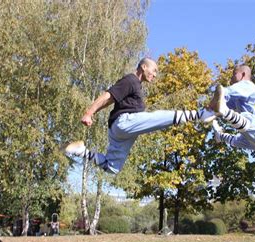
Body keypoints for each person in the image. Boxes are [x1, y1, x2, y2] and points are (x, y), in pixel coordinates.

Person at [65, 57, 215, 174]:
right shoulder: (130, 80)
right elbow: (108, 96)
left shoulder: (137, 85)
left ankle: (81, 151)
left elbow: (111, 101)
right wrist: (89, 112)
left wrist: (93, 113)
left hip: (121, 132)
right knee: (159, 117)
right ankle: (200, 114)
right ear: (143, 67)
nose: (155, 75)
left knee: (112, 168)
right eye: (154, 70)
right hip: (124, 123)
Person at [208, 65, 255, 161]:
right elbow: (221, 104)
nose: (231, 78)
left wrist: (214, 104)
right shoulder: (239, 96)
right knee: (237, 139)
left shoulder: (247, 85)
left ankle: (227, 113)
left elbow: (224, 93)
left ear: (243, 74)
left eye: (234, 74)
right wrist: (210, 111)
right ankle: (220, 136)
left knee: (245, 119)